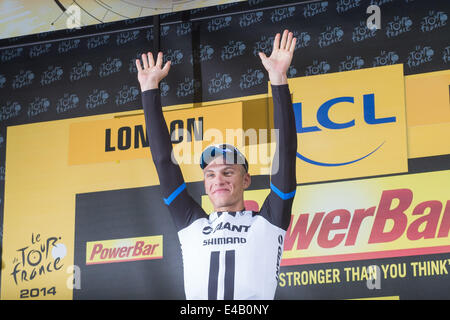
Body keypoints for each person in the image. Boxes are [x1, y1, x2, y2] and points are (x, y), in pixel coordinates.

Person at [136, 29, 297, 300]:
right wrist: (149, 90)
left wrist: (278, 80)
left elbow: (286, 152)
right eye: (210, 174)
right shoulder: (190, 223)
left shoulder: (269, 221)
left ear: (246, 180)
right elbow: (164, 161)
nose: (217, 179)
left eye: (227, 171)